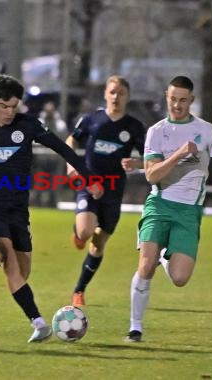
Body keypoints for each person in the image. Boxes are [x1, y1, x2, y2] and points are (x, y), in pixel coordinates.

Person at [0, 74, 103, 343]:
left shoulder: (28, 126)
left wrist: (89, 178)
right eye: (4, 106)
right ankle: (39, 323)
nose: (9, 112)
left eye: (14, 106)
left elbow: (63, 149)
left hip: (18, 210)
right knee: (9, 263)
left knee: (22, 272)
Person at [125, 76, 212, 343]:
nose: (177, 105)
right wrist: (177, 154)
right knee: (145, 265)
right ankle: (135, 327)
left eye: (183, 100)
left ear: (192, 101)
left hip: (189, 212)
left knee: (179, 278)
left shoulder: (206, 130)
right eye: (173, 99)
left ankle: (165, 254)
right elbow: (152, 176)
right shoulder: (156, 131)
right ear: (167, 96)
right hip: (159, 204)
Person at [66, 76, 146, 308]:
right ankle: (79, 233)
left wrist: (137, 164)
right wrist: (72, 166)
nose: (116, 97)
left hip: (114, 192)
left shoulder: (134, 127)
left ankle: (79, 289)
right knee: (85, 231)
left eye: (121, 93)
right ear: (105, 94)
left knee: (98, 245)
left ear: (127, 97)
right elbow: (71, 139)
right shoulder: (92, 120)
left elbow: (150, 157)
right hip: (89, 186)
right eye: (112, 92)